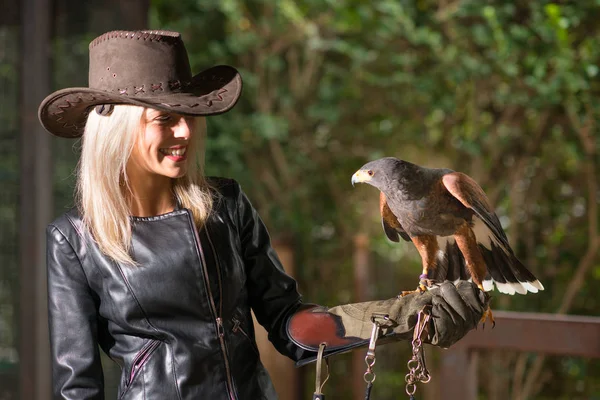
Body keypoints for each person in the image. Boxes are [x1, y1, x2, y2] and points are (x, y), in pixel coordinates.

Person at [39, 30, 488, 400]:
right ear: (115, 127)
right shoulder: (74, 239)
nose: (184, 130)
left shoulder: (226, 205)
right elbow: (77, 388)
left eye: (189, 115)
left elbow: (289, 326)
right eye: (163, 118)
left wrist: (399, 316)